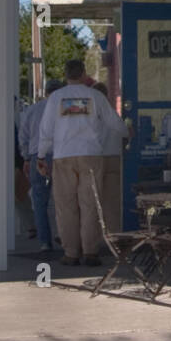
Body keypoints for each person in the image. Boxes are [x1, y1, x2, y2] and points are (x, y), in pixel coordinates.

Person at [38, 60, 128, 266]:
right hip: (91, 156)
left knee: (65, 206)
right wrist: (126, 132)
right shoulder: (95, 96)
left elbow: (46, 130)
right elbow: (114, 122)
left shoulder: (56, 98)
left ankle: (71, 252)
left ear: (65, 74)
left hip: (63, 156)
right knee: (90, 203)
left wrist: (42, 156)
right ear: (84, 74)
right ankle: (90, 251)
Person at [19, 78, 64, 250]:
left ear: (46, 92)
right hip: (61, 156)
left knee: (39, 202)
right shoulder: (65, 108)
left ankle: (45, 241)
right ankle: (63, 234)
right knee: (64, 199)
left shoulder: (32, 110)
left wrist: (26, 158)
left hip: (37, 157)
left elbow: (23, 137)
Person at [92, 82, 125, 236]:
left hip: (95, 159)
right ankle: (114, 234)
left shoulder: (91, 116)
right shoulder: (113, 114)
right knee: (112, 200)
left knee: (93, 200)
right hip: (114, 157)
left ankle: (96, 236)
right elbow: (124, 133)